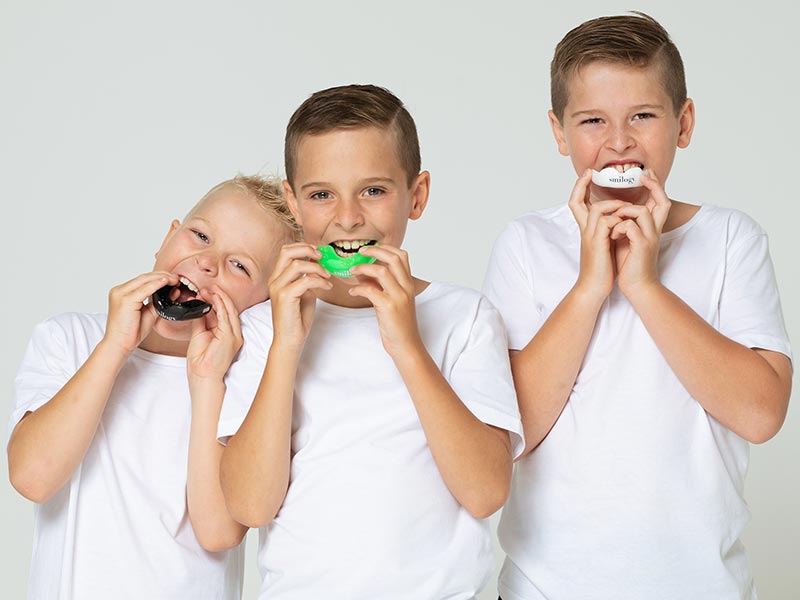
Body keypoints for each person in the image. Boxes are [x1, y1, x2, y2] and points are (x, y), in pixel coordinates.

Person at [483, 12, 793, 600]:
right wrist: (590, 286)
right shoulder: (526, 244)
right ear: (558, 132)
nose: (619, 141)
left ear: (684, 122)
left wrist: (645, 285)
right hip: (545, 588)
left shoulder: (731, 239)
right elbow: (508, 430)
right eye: (592, 120)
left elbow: (761, 414)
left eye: (643, 116)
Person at [217, 84, 524, 599]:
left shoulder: (464, 317)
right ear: (293, 203)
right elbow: (250, 506)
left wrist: (406, 344)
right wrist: (286, 346)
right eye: (321, 195)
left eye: (374, 191)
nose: (348, 216)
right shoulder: (264, 327)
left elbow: (486, 492)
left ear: (417, 195)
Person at [7, 175, 300, 599]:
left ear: (258, 306)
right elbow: (32, 477)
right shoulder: (70, 339)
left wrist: (206, 382)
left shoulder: (244, 381)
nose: (207, 262)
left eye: (240, 265)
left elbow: (219, 532)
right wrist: (115, 347)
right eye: (200, 235)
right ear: (166, 239)